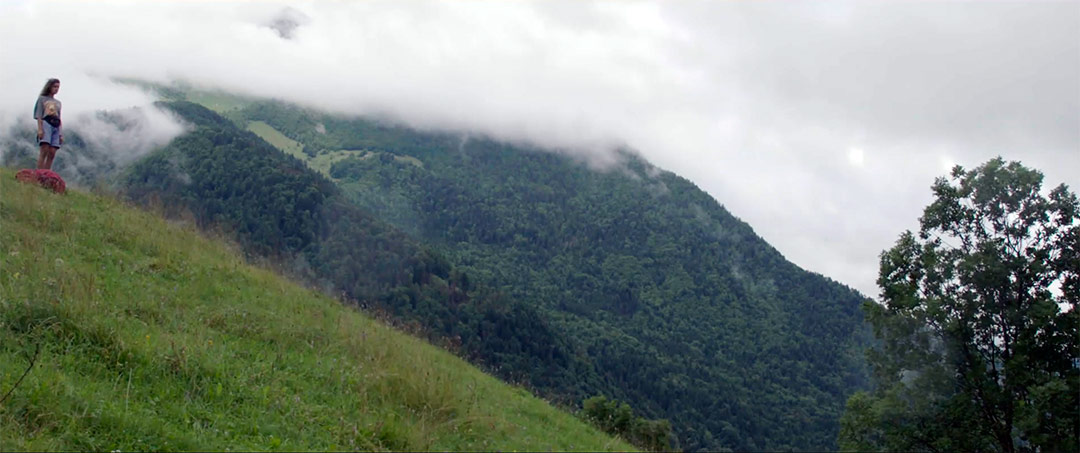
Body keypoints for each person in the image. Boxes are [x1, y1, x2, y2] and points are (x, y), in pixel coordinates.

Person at [33, 78, 63, 170]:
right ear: (49, 87)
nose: (56, 89)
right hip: (46, 123)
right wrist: (40, 129)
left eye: (58, 87)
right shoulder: (42, 99)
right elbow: (39, 115)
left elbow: (59, 117)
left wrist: (60, 134)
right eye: (54, 86)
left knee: (52, 152)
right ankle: (39, 172)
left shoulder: (58, 103)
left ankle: (46, 173)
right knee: (44, 149)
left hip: (56, 125)